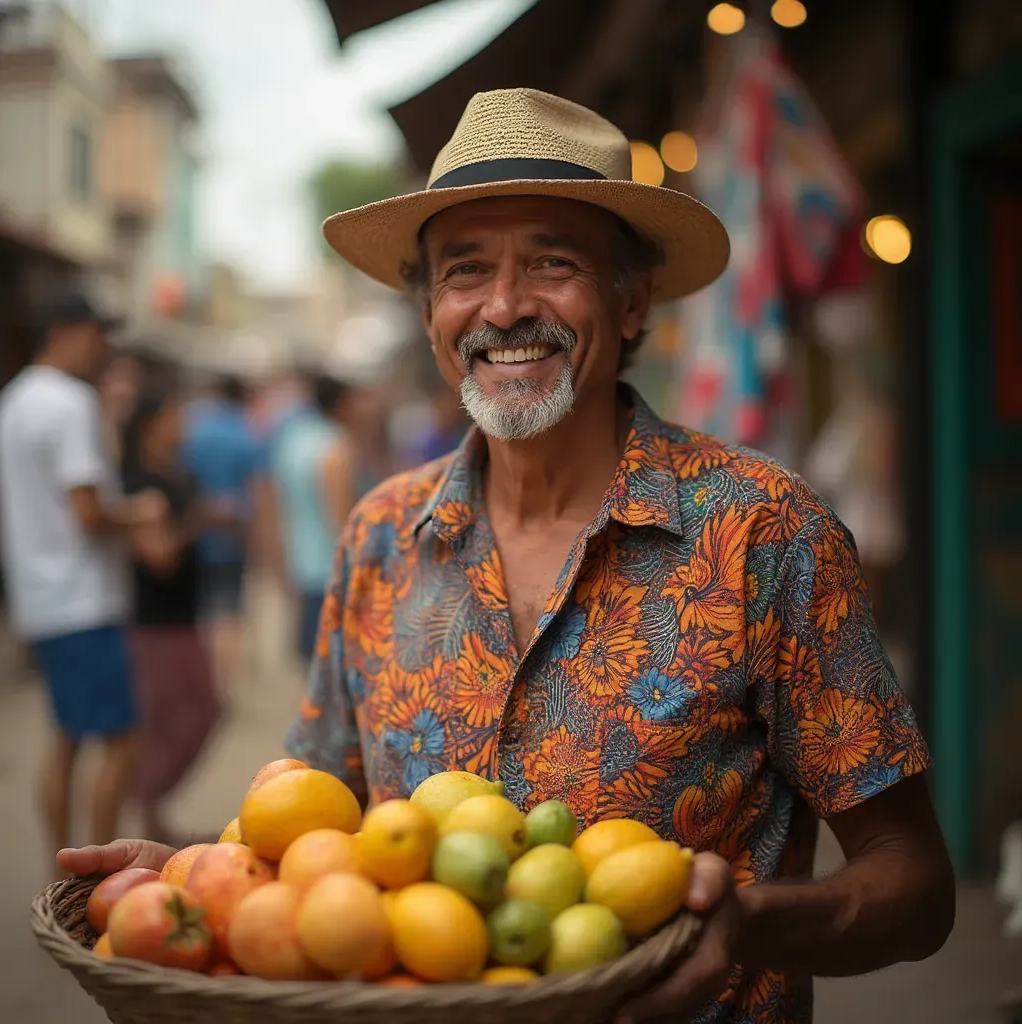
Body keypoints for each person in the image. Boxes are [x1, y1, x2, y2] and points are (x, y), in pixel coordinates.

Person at [59, 89, 954, 1021]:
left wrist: (749, 926)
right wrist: (206, 881)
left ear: (633, 293)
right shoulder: (378, 538)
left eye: (553, 262)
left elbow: (916, 887)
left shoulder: (765, 533)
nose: (505, 307)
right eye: (465, 270)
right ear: (428, 312)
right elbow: (318, 836)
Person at [0, 292, 164, 863]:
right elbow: (89, 512)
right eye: (98, 335)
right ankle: (97, 878)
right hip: (82, 599)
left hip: (42, 598)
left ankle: (64, 870)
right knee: (121, 741)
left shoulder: (15, 400)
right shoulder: (69, 402)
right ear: (68, 332)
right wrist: (138, 512)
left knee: (68, 738)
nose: (103, 349)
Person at [120, 379, 221, 845]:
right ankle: (143, 801)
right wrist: (200, 522)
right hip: (156, 621)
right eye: (173, 418)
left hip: (182, 616)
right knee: (194, 713)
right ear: (149, 427)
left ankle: (151, 813)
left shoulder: (177, 474)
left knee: (187, 715)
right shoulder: (140, 485)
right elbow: (158, 556)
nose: (182, 426)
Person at [184, 373, 271, 691]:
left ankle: (204, 678)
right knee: (231, 612)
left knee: (205, 611)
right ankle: (224, 683)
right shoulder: (248, 434)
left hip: (195, 534)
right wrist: (265, 541)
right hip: (235, 536)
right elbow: (260, 491)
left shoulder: (194, 429)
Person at [270, 373, 357, 669]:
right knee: (330, 665)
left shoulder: (293, 439)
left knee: (310, 664)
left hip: (300, 562)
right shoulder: (335, 445)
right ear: (342, 404)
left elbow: (279, 502)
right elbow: (340, 516)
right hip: (329, 569)